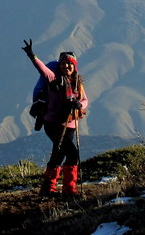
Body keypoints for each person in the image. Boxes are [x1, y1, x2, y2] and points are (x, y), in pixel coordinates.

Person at [22, 39, 88, 198]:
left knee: (58, 155)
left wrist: (79, 105)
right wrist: (33, 56)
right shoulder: (53, 79)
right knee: (72, 153)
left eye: (69, 64)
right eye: (63, 64)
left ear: (74, 66)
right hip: (53, 124)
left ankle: (48, 189)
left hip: (70, 125)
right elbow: (43, 70)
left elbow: (85, 100)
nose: (66, 66)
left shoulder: (77, 83)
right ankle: (69, 191)